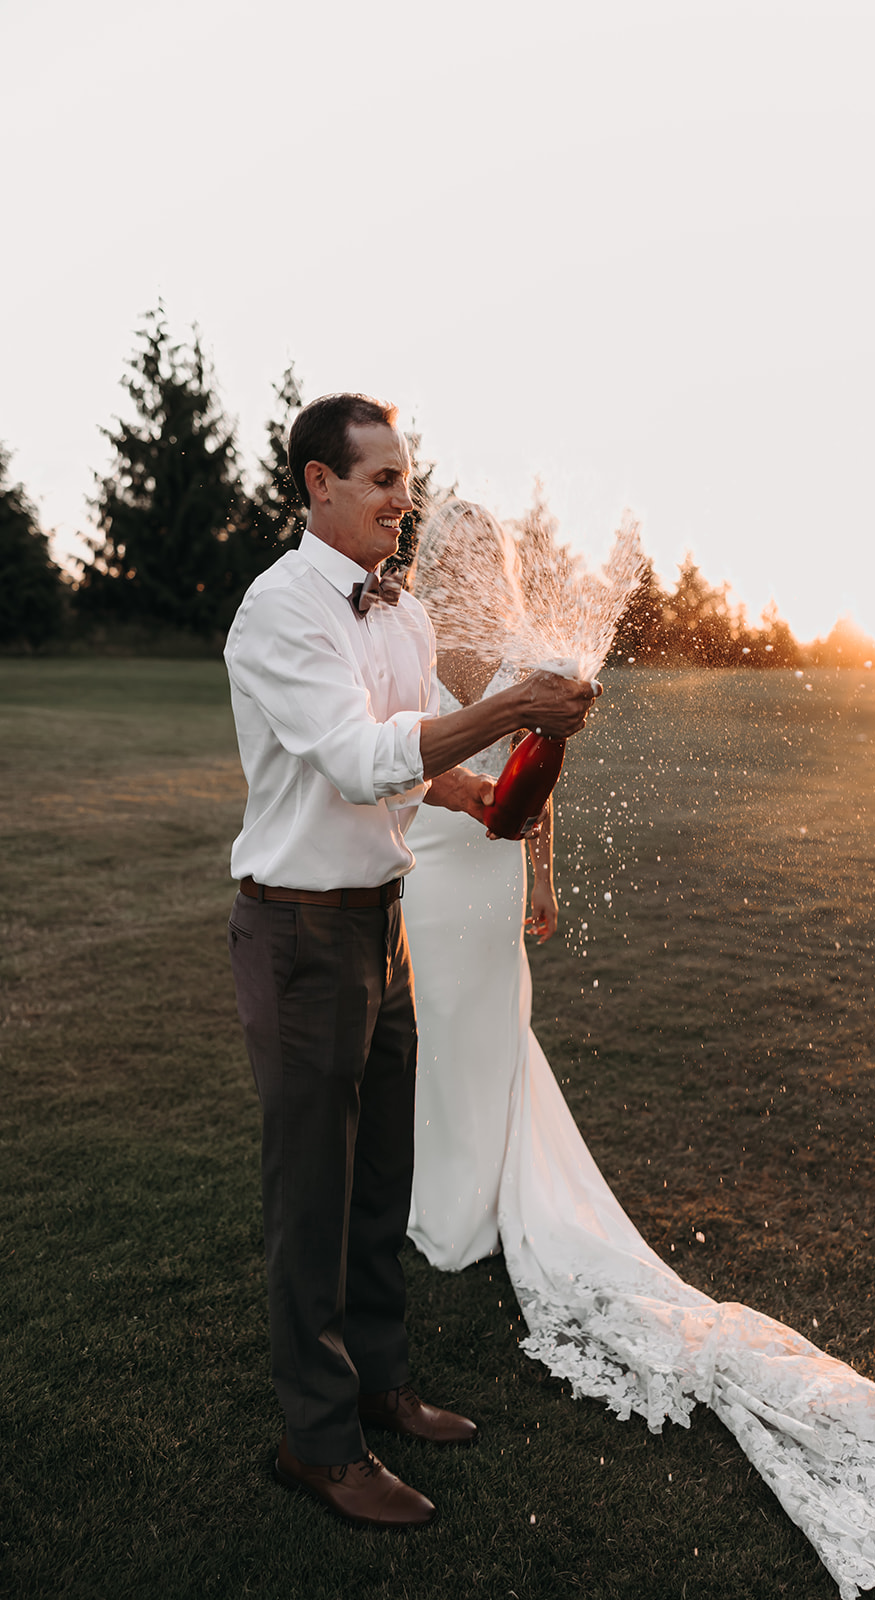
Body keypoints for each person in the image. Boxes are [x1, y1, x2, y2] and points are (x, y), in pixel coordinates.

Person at [403, 502, 875, 1599]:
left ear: (499, 562)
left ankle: (465, 1216)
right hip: (420, 878)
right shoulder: (405, 637)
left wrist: (540, 873)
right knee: (435, 1045)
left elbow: (538, 782)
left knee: (485, 1042)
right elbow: (388, 753)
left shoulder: (525, 657)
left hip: (475, 877)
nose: (472, 561)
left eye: (486, 550)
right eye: (462, 549)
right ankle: (437, 1197)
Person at [223, 396, 598, 1530]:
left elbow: (407, 754)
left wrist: (483, 791)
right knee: (313, 1192)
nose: (404, 496)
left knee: (382, 1170)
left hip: (381, 919)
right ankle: (319, 1440)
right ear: (315, 486)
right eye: (380, 478)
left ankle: (380, 1383)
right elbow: (352, 756)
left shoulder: (405, 616)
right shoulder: (276, 612)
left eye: (406, 476)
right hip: (296, 931)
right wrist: (505, 709)